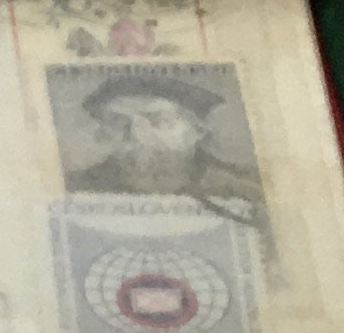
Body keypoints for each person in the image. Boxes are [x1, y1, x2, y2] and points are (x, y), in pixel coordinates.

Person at [65, 69, 265, 227]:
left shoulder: (245, 188)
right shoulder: (75, 189)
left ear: (197, 131)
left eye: (159, 121)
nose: (138, 135)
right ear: (102, 135)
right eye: (118, 123)